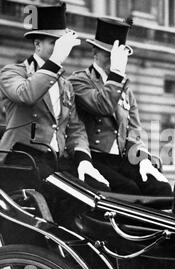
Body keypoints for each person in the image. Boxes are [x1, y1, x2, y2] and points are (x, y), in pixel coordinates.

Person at [0, 3, 108, 189]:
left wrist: (84, 161)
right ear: (37, 44)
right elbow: (26, 95)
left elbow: (76, 128)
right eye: (54, 43)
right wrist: (55, 60)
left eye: (61, 44)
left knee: (100, 189)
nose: (60, 49)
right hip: (21, 158)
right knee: (73, 195)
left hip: (56, 159)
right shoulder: (12, 72)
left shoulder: (65, 84)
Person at [68, 17, 172, 196]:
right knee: (128, 190)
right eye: (108, 54)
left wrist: (143, 160)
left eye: (118, 56)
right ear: (95, 51)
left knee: (160, 189)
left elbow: (134, 131)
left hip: (122, 158)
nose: (113, 61)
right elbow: (103, 106)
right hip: (93, 156)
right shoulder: (78, 81)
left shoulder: (125, 89)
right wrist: (116, 74)